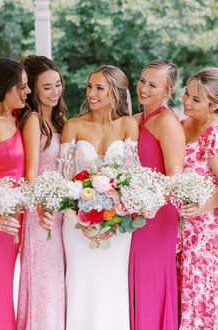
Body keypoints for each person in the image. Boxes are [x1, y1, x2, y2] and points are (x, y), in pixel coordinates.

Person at [59, 64, 139, 330]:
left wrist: (113, 219)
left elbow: (131, 177)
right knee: (80, 283)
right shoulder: (73, 125)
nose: (91, 93)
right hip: (76, 224)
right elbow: (63, 178)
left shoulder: (128, 124)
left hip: (117, 226)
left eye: (99, 88)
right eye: (89, 86)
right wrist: (79, 214)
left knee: (113, 284)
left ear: (115, 93)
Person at [129, 59, 186, 330]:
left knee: (150, 282)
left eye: (153, 85)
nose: (144, 88)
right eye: (142, 81)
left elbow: (174, 175)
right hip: (132, 213)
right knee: (132, 282)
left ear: (168, 90)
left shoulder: (167, 122)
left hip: (157, 214)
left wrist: (146, 201)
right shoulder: (134, 119)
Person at [17, 55, 67, 330]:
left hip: (60, 211)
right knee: (43, 281)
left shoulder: (59, 121)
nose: (54, 92)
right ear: (33, 90)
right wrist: (40, 206)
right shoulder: (34, 120)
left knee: (57, 280)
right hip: (41, 214)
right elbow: (31, 173)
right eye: (46, 87)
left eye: (57, 84)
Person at [0, 58, 30, 330]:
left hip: (13, 223)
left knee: (3, 291)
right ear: (4, 88)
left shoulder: (15, 117)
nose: (27, 91)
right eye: (21, 86)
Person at [178, 67, 218, 329]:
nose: (186, 102)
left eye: (196, 99)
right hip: (180, 228)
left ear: (214, 105)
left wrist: (203, 206)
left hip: (205, 231)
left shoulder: (213, 133)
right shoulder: (181, 124)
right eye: (186, 94)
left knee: (200, 293)